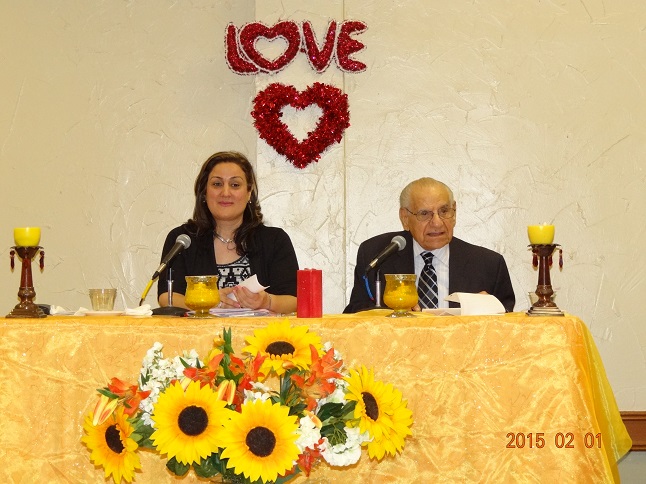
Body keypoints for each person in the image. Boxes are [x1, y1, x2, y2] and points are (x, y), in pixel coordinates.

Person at [344, 177, 515, 313]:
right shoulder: (377, 256)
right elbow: (354, 315)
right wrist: (391, 314)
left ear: (454, 212)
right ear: (405, 218)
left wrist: (490, 309)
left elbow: (510, 325)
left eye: (444, 211)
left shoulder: (488, 264)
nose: (437, 223)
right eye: (424, 214)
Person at [158, 151, 298, 314]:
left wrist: (266, 301)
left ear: (249, 193)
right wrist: (209, 302)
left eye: (235, 185)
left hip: (260, 331)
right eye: (217, 184)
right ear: (204, 192)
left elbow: (295, 300)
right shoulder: (183, 240)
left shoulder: (274, 240)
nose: (225, 193)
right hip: (200, 331)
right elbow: (167, 297)